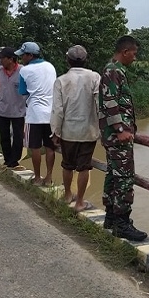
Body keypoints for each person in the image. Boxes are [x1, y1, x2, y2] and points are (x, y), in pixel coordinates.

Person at [98, 35, 147, 242]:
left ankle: (111, 217)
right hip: (118, 136)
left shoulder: (113, 69)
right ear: (125, 52)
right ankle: (122, 223)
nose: (135, 57)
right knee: (124, 178)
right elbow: (110, 101)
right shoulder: (114, 70)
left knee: (114, 174)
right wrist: (120, 128)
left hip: (114, 135)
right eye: (134, 53)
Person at [50, 45, 100, 212]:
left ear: (68, 61)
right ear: (86, 60)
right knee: (84, 166)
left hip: (68, 131)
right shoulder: (95, 77)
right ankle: (80, 202)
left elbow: (57, 109)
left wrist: (55, 132)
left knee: (67, 165)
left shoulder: (61, 80)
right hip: (88, 130)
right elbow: (100, 104)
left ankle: (67, 195)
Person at [15, 41, 57, 186]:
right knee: (50, 147)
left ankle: (38, 177)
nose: (21, 59)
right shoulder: (50, 67)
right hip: (51, 114)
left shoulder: (24, 71)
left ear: (30, 55)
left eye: (23, 56)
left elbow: (22, 92)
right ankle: (49, 177)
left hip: (34, 114)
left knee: (35, 147)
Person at [0, 47, 27, 169]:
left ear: (11, 59)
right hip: (2, 109)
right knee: (4, 136)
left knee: (18, 137)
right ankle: (7, 159)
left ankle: (14, 161)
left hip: (18, 110)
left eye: (3, 58)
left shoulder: (23, 71)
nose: (0, 61)